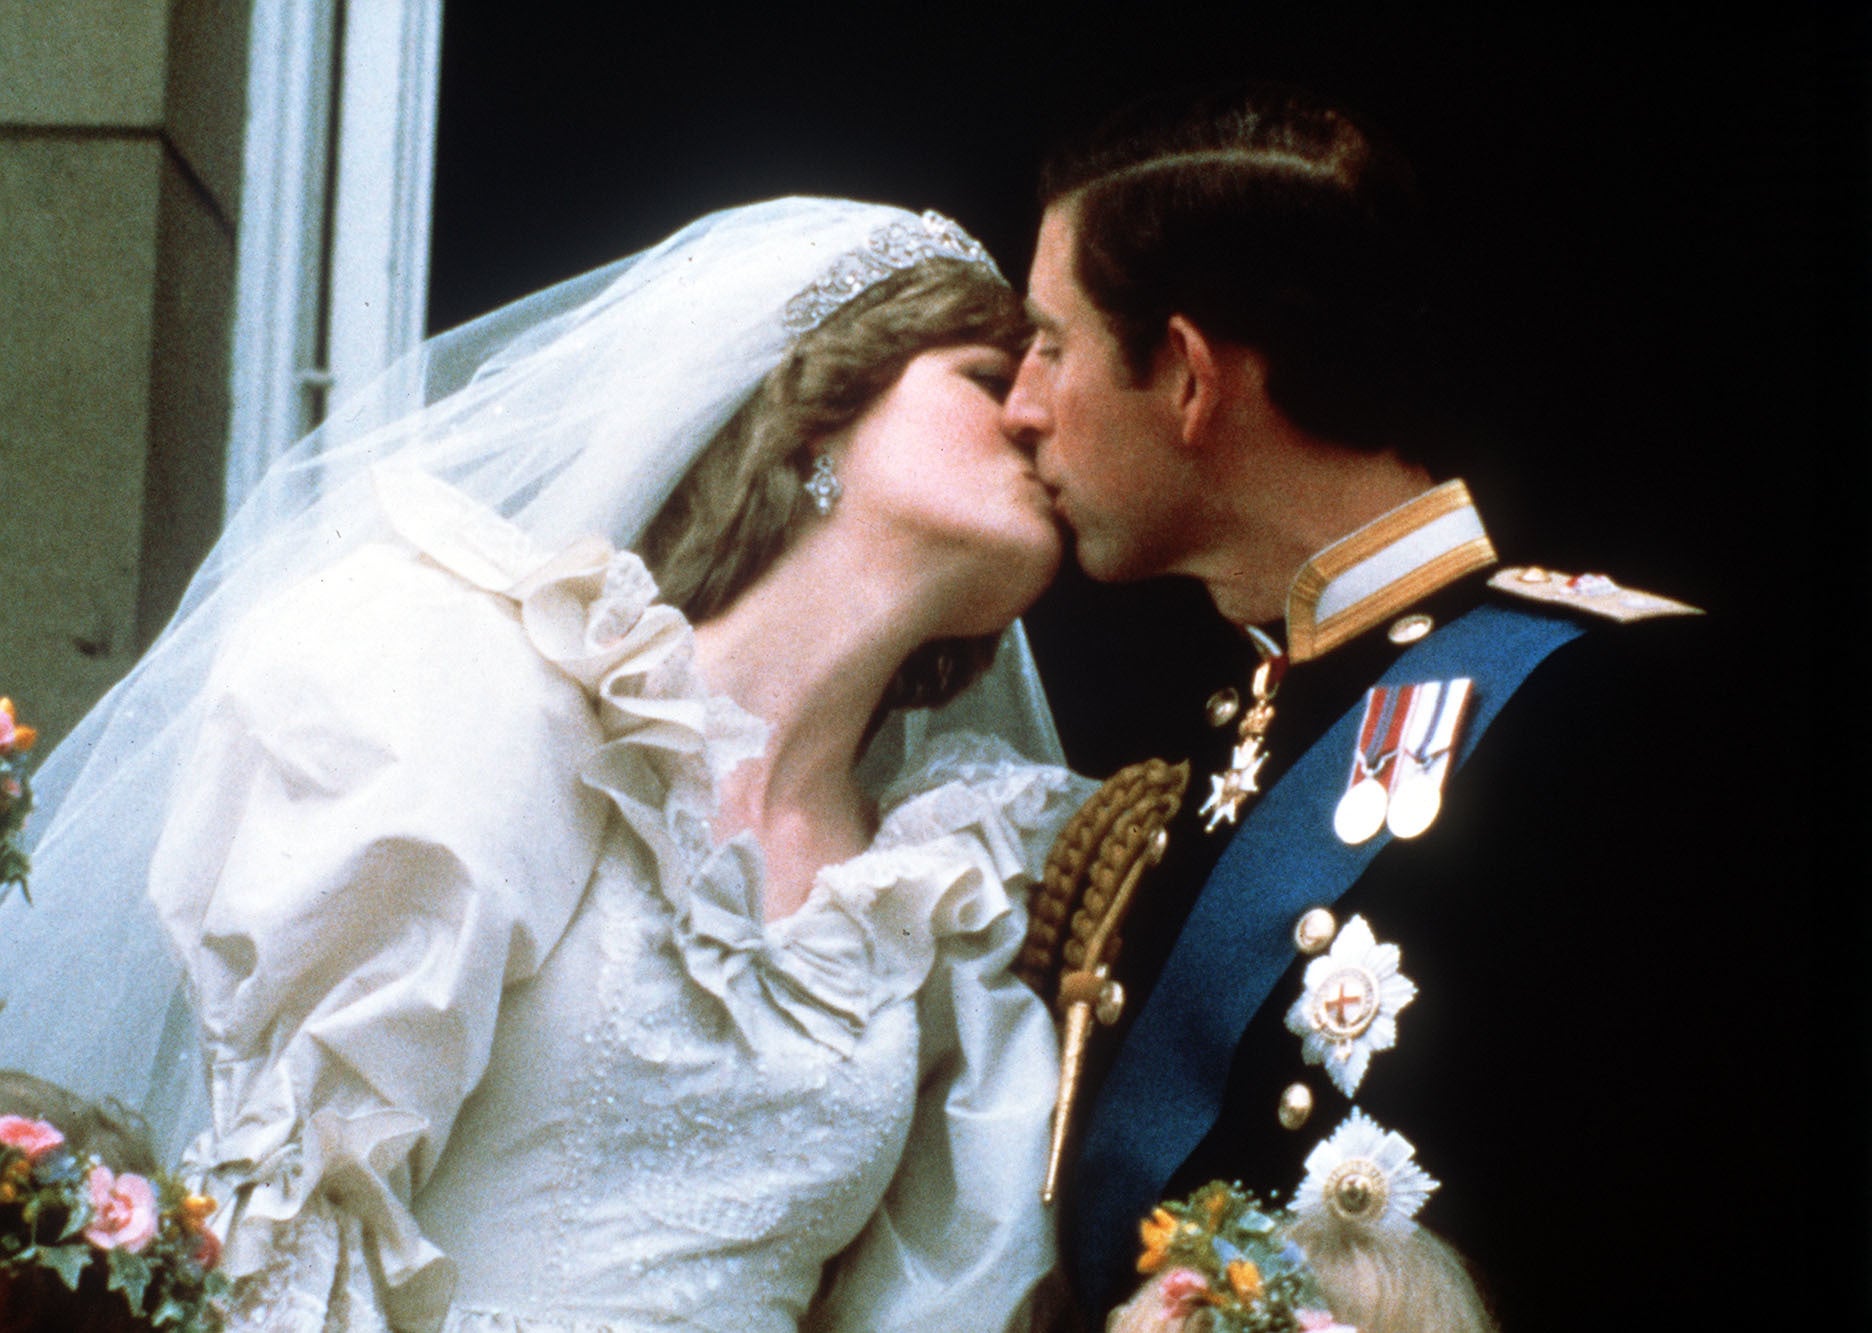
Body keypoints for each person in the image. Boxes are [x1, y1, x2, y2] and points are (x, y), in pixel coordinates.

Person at [0, 198, 1100, 1331]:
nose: (1037, 414)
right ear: (817, 413)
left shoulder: (941, 892)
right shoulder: (486, 701)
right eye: (984, 374)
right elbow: (298, 1227)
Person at [999, 88, 1810, 1329]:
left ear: (1188, 378)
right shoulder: (1237, 728)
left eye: (1052, 345)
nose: (1023, 403)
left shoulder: (1611, 700)